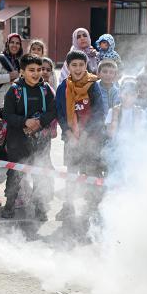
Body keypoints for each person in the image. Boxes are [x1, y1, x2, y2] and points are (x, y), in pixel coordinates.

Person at [0, 54, 56, 222]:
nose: (36, 73)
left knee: (41, 175)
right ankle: (9, 205)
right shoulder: (14, 90)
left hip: (42, 141)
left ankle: (40, 208)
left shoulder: (46, 90)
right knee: (15, 173)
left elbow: (53, 111)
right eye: (31, 70)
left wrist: (40, 122)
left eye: (39, 70)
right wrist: (25, 122)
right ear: (22, 72)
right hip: (17, 140)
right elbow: (7, 114)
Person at [55, 50, 107, 229]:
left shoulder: (93, 85)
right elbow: (60, 113)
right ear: (68, 67)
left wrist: (86, 134)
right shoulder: (63, 87)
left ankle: (93, 208)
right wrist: (68, 132)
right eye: (74, 65)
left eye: (81, 65)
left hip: (91, 139)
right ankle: (68, 207)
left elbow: (100, 112)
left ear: (86, 66)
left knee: (92, 173)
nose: (78, 68)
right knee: (71, 173)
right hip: (71, 139)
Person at [0, 32, 24, 102]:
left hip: (13, 100)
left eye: (17, 43)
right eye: (12, 42)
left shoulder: (17, 62)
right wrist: (9, 77)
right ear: (7, 44)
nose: (15, 45)